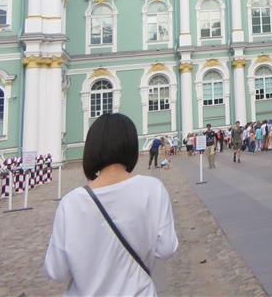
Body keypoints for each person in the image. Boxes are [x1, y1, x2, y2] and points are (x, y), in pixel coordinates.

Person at [45, 113, 178, 296]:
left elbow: (57, 271)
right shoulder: (153, 189)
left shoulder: (71, 203)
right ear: (131, 146)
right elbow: (166, 249)